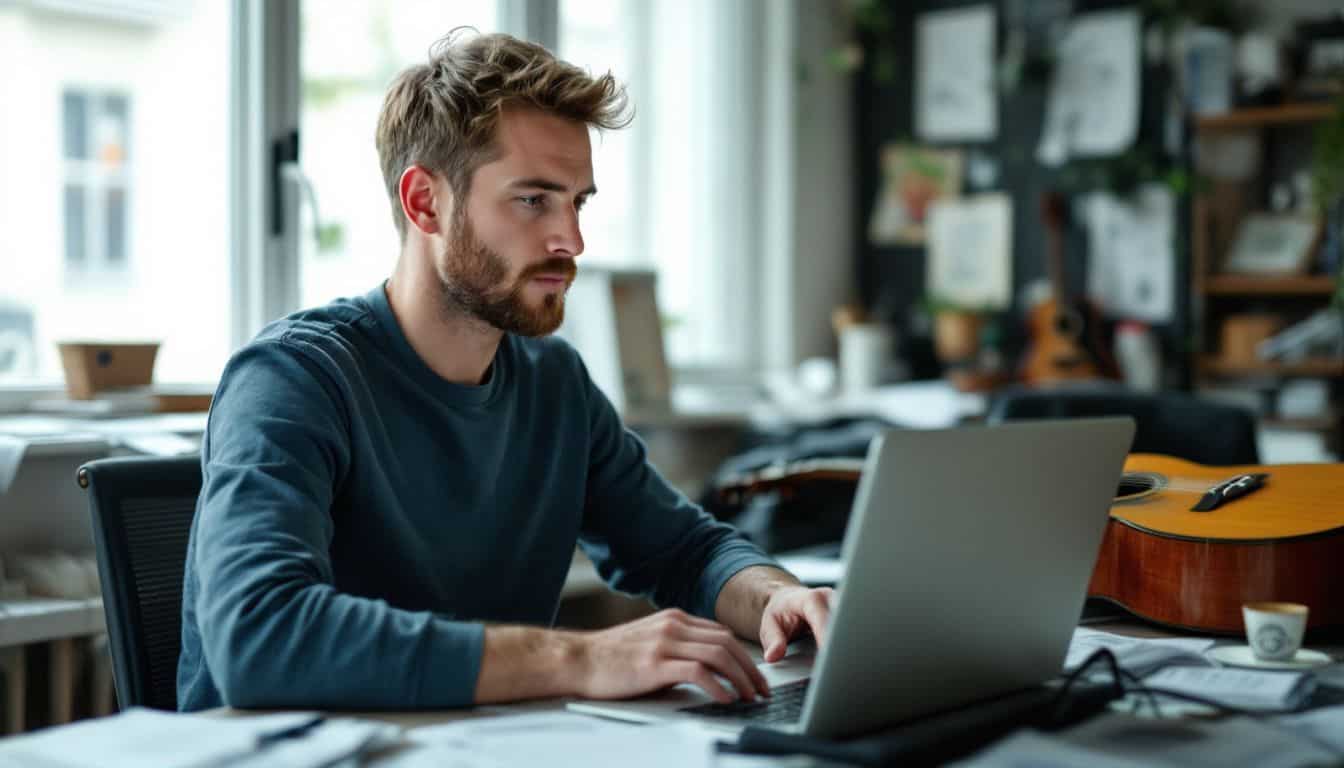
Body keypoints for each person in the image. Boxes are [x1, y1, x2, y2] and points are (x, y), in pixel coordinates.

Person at [177, 30, 833, 712]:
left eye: (578, 202)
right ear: (424, 201)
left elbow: (686, 552)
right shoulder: (292, 380)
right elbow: (260, 635)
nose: (571, 241)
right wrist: (577, 657)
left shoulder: (554, 382)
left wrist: (777, 596)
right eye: (533, 200)